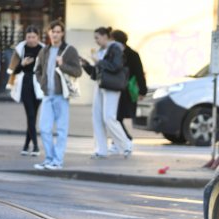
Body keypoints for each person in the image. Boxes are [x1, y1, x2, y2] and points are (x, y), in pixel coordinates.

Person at [34, 20, 82, 170]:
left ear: (62, 33)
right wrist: (42, 84)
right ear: (49, 33)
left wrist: (62, 65)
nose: (55, 34)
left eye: (58, 32)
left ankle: (58, 161)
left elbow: (78, 71)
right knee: (44, 128)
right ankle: (49, 159)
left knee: (61, 130)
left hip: (62, 95)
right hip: (48, 95)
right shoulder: (44, 51)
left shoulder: (69, 50)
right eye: (52, 31)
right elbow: (38, 70)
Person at [80, 27, 132, 159]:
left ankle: (126, 145)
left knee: (109, 117)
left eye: (97, 38)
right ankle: (101, 149)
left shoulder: (115, 48)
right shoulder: (101, 51)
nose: (96, 41)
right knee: (97, 118)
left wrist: (99, 61)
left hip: (112, 86)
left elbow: (116, 66)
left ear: (105, 36)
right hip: (100, 85)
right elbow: (96, 73)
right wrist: (86, 65)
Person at [7, 26, 44, 156]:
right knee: (30, 115)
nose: (31, 40)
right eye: (29, 37)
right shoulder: (20, 49)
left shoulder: (43, 50)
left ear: (38, 37)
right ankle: (35, 146)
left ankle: (25, 146)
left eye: (34, 37)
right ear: (25, 37)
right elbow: (13, 71)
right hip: (26, 83)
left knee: (33, 116)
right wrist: (22, 64)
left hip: (38, 85)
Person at [111, 29, 147, 148]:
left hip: (125, 91)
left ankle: (124, 139)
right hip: (117, 89)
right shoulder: (116, 53)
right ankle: (119, 139)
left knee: (116, 116)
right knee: (115, 116)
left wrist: (142, 90)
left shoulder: (131, 55)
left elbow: (139, 73)